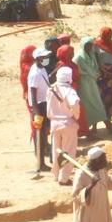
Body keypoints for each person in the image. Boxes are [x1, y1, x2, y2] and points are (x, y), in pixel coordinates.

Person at [69, 145, 112, 222]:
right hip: (88, 218)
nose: (106, 161)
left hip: (102, 213)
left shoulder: (101, 170)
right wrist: (91, 185)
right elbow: (76, 196)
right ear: (96, 160)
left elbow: (108, 181)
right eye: (104, 159)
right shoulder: (81, 174)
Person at [49, 65, 85, 183]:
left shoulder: (51, 89)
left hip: (54, 123)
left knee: (56, 150)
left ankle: (55, 174)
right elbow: (75, 104)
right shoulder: (69, 91)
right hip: (67, 124)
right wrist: (76, 115)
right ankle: (63, 178)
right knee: (68, 151)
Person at [88, 26, 112, 134]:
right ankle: (94, 126)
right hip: (101, 76)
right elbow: (94, 60)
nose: (109, 38)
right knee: (98, 98)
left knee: (111, 98)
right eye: (107, 36)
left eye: (110, 36)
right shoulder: (96, 45)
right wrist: (101, 69)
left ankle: (109, 123)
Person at [25, 46, 53, 174]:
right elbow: (33, 93)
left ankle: (42, 161)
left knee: (43, 134)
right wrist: (36, 113)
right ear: (39, 58)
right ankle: (40, 163)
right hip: (39, 106)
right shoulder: (35, 73)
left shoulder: (42, 69)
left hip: (44, 103)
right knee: (40, 135)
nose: (47, 59)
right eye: (45, 57)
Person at [75, 33, 111, 136]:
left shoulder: (91, 55)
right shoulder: (79, 57)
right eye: (88, 45)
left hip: (92, 83)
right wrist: (88, 73)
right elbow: (77, 70)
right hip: (84, 84)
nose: (90, 47)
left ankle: (100, 125)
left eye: (91, 45)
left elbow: (95, 67)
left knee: (97, 102)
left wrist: (95, 74)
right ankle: (95, 127)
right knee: (89, 105)